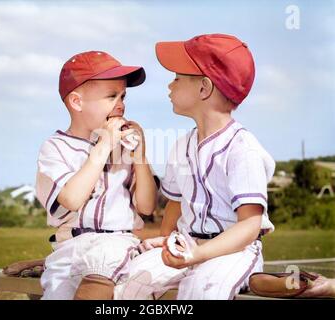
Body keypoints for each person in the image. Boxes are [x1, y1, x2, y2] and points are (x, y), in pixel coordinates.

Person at [115, 34, 276, 300]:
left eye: (177, 78)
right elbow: (175, 206)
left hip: (232, 251)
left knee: (202, 289)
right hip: (188, 243)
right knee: (133, 280)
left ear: (204, 88)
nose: (169, 85)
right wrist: (168, 242)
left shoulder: (242, 148)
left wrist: (198, 254)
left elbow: (249, 225)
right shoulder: (181, 146)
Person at [35, 51, 157, 299]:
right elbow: (71, 199)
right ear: (77, 103)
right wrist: (103, 147)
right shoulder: (55, 147)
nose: (121, 104)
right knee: (57, 293)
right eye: (111, 96)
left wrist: (141, 156)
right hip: (69, 248)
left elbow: (146, 206)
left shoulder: (127, 149)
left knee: (99, 282)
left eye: (123, 96)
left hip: (115, 245)